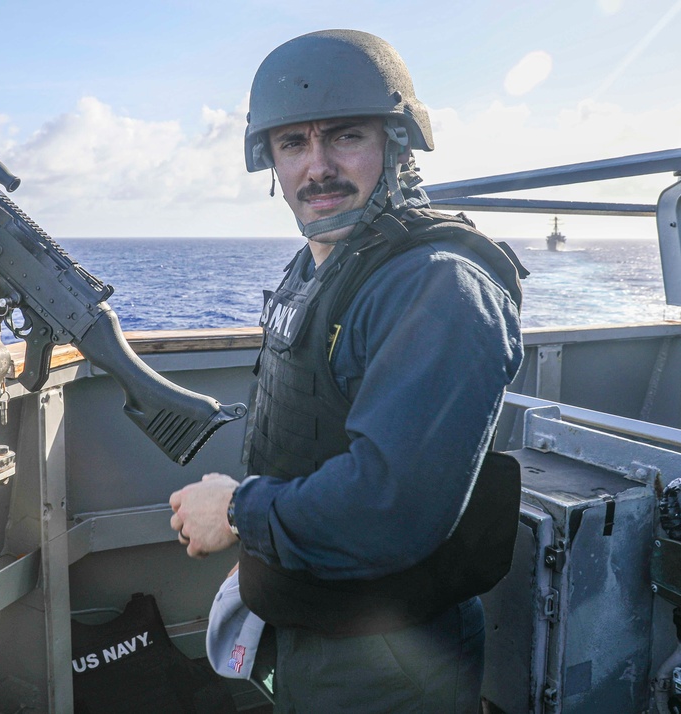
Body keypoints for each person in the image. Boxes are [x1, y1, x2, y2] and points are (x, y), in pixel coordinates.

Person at [169, 29, 526, 713]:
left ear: (396, 146)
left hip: (389, 661)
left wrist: (240, 511)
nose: (318, 167)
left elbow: (389, 506)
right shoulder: (321, 263)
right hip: (315, 629)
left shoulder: (438, 286)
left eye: (346, 137)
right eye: (293, 144)